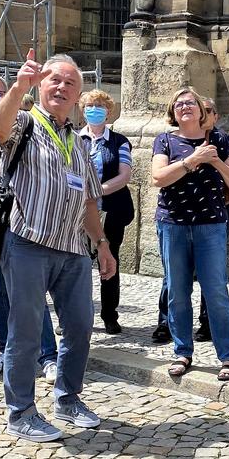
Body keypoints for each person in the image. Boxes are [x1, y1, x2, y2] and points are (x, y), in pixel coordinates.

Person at [0, 51, 117, 442]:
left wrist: (103, 244)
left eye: (70, 83)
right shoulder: (25, 123)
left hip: (74, 249)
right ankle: (21, 412)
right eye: (54, 80)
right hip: (28, 243)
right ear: (42, 86)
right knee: (26, 332)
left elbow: (90, 200)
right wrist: (17, 89)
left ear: (79, 95)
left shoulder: (78, 143)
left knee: (80, 326)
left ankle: (67, 398)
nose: (62, 86)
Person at [0, 72, 58, 376]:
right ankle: (7, 351)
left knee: (29, 291)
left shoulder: (24, 127)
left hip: (18, 220)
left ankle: (47, 356)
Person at [152, 87, 229, 379]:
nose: (184, 107)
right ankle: (182, 352)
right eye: (178, 104)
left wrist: (213, 159)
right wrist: (191, 161)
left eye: (190, 102)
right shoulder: (164, 140)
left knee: (216, 292)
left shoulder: (218, 140)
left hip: (210, 225)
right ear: (173, 112)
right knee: (178, 292)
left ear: (201, 111)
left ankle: (228, 357)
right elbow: (159, 178)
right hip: (173, 224)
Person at [79, 89, 134, 335]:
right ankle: (77, 315)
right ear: (82, 110)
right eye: (90, 105)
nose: (94, 109)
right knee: (76, 265)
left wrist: (96, 192)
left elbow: (124, 175)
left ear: (108, 111)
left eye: (99, 106)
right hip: (76, 211)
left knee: (109, 262)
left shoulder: (119, 141)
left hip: (110, 209)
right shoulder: (74, 138)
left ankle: (110, 315)